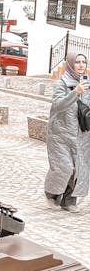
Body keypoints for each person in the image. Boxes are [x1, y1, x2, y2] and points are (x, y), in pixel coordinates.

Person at [44, 52, 90, 212]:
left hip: (81, 134)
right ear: (71, 63)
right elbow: (57, 106)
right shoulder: (61, 83)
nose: (81, 65)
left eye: (84, 62)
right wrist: (75, 92)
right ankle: (52, 195)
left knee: (79, 168)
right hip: (61, 134)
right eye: (77, 62)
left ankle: (69, 201)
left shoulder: (87, 83)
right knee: (64, 167)